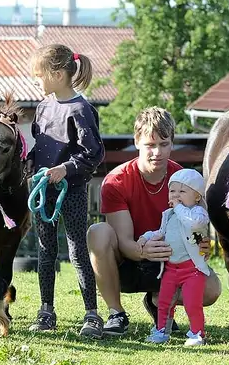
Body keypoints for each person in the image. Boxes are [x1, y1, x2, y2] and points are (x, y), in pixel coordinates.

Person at [87, 107, 221, 337]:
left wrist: (202, 245)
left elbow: (197, 229)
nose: (157, 152)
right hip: (128, 263)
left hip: (171, 263)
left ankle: (159, 301)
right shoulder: (116, 181)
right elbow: (123, 242)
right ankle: (116, 313)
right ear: (137, 141)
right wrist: (143, 250)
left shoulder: (185, 180)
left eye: (164, 144)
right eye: (150, 145)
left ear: (172, 144)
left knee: (212, 289)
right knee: (97, 232)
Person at [26, 44, 105, 338]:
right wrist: (27, 162)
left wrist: (65, 170)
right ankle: (46, 310)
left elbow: (92, 154)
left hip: (70, 192)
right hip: (43, 190)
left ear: (57, 74)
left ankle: (91, 314)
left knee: (76, 250)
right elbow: (39, 146)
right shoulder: (43, 107)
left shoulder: (82, 110)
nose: (38, 82)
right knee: (45, 251)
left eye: (39, 76)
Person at [141, 168, 211, 346]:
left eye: (182, 191)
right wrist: (146, 236)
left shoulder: (198, 213)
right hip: (171, 268)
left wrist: (178, 207)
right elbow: (161, 232)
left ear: (197, 197)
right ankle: (162, 330)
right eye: (172, 191)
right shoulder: (169, 215)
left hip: (192, 269)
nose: (176, 195)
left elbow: (192, 223)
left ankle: (197, 333)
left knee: (191, 303)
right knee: (164, 301)